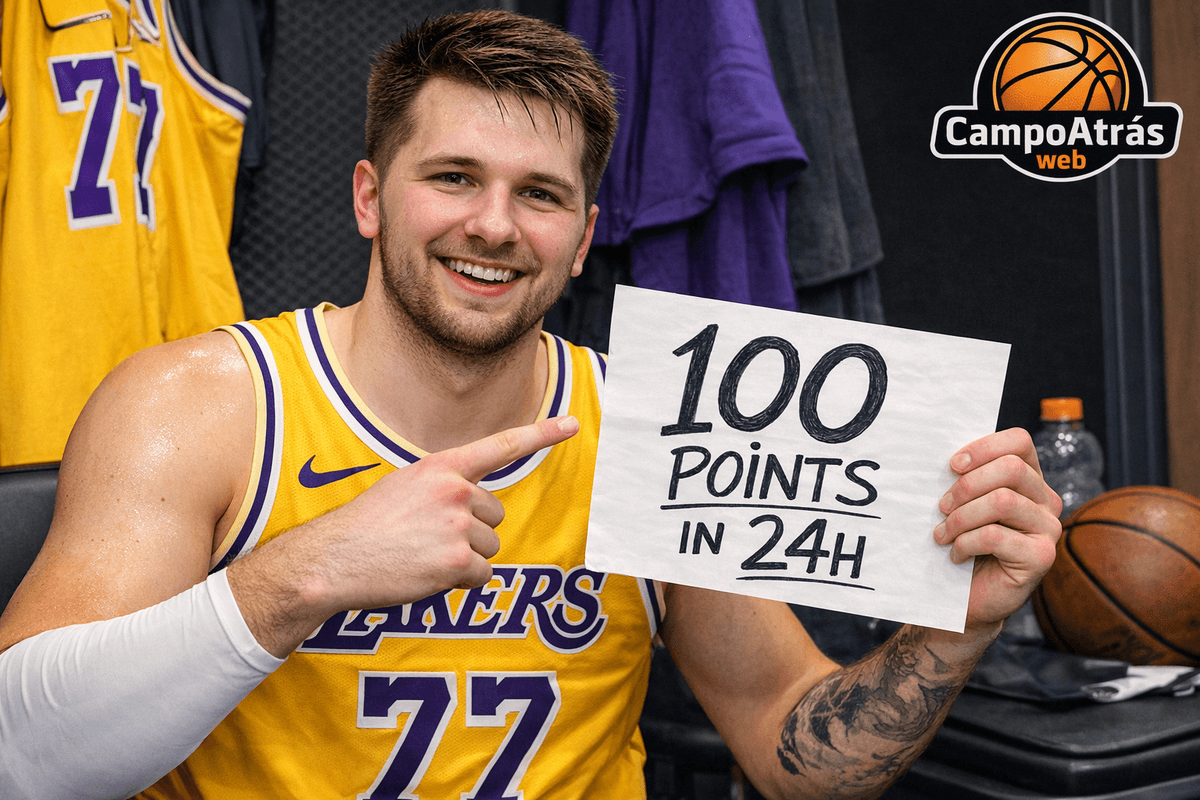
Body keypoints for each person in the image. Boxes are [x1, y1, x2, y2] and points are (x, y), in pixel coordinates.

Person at [0, 9, 1062, 799]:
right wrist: (304, 574)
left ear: (584, 234)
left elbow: (798, 758)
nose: (495, 226)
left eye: (540, 193)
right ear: (370, 197)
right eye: (453, 177)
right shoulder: (195, 406)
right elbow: (22, 756)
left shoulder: (653, 427)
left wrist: (955, 628)